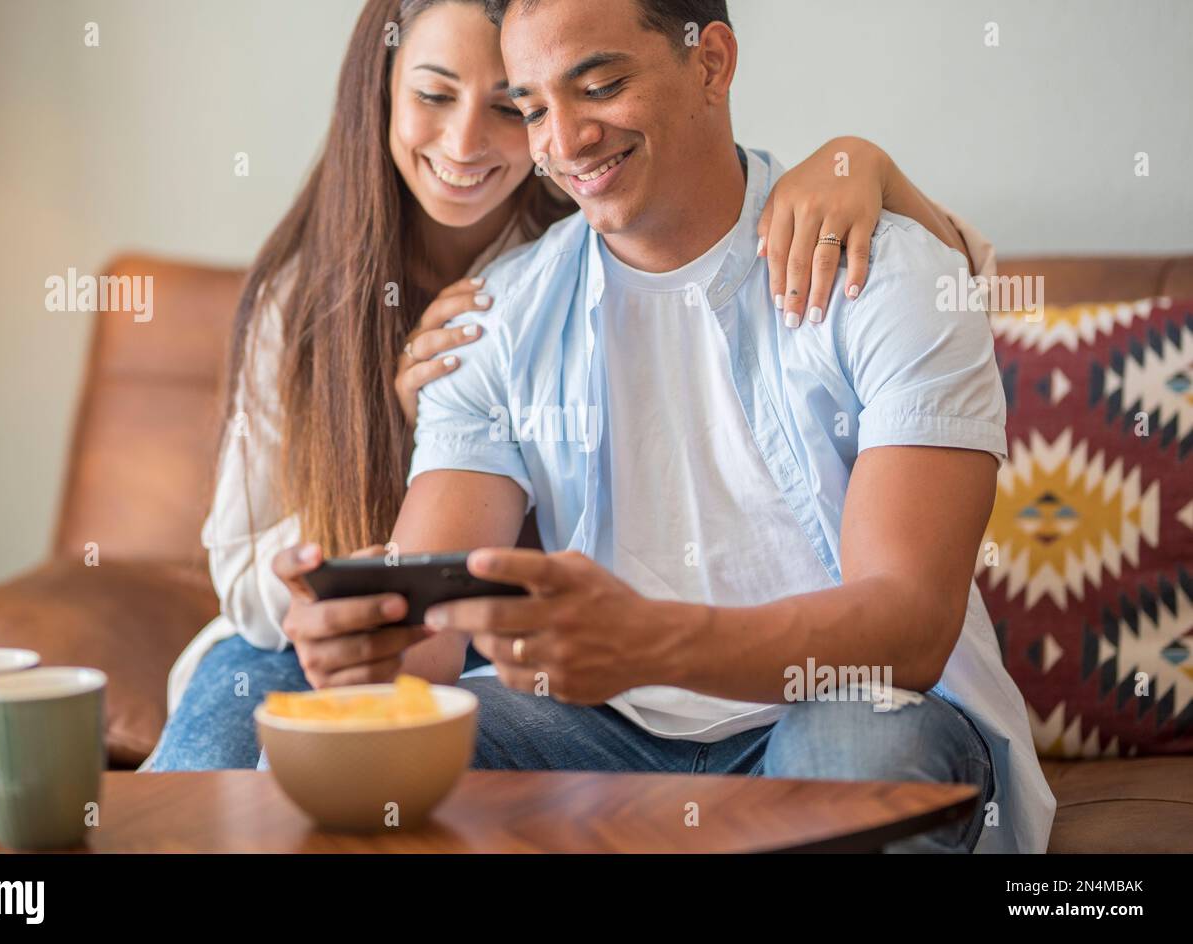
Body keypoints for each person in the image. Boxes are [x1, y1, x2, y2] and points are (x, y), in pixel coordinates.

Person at [242, 0, 1056, 853]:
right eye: (531, 107)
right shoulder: (496, 319)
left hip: (848, 707)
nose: (562, 141)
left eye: (600, 85)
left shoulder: (888, 271)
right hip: (598, 731)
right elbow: (435, 639)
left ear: (711, 65)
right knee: (362, 758)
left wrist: (651, 643)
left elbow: (909, 628)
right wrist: (371, 641)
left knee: (858, 742)